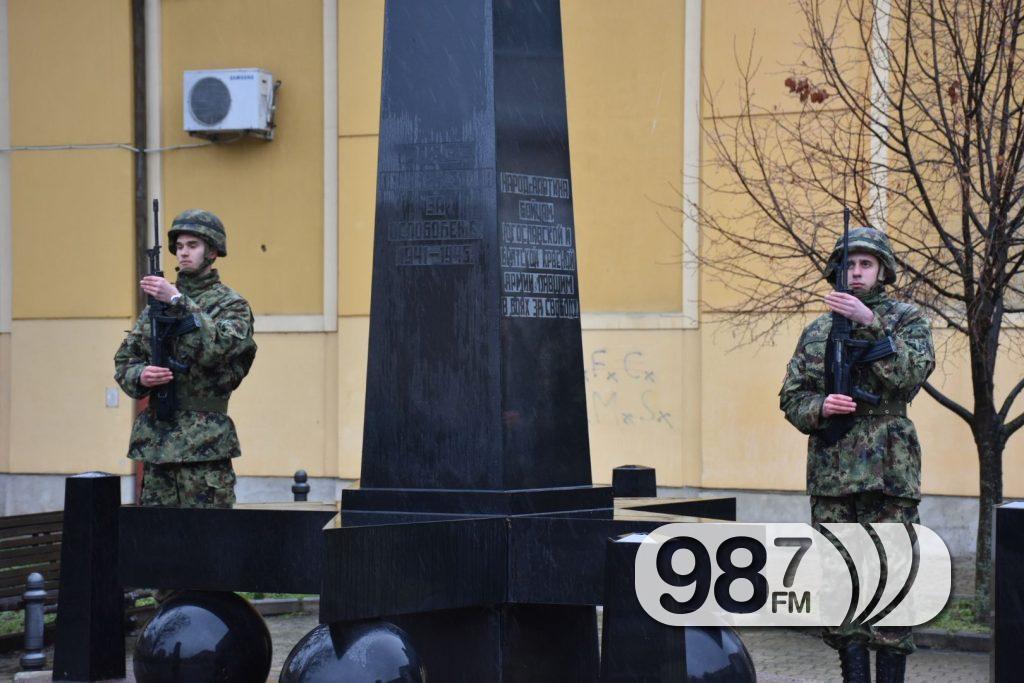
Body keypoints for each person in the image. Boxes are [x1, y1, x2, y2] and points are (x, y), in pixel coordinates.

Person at [779, 226, 935, 683]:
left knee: (893, 586)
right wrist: (820, 407)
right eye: (849, 264)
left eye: (866, 263)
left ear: (883, 270)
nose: (857, 272)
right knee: (839, 588)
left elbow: (910, 375)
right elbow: (791, 396)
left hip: (889, 474)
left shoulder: (906, 320)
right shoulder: (817, 331)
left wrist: (871, 323)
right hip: (832, 476)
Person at [114, 209, 257, 508]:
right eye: (179, 246)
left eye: (193, 245)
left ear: (212, 252)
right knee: (157, 534)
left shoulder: (231, 305)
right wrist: (141, 375)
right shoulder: (157, 307)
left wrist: (179, 301)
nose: (183, 253)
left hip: (204, 448)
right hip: (158, 446)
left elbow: (220, 348)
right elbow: (126, 359)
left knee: (207, 533)